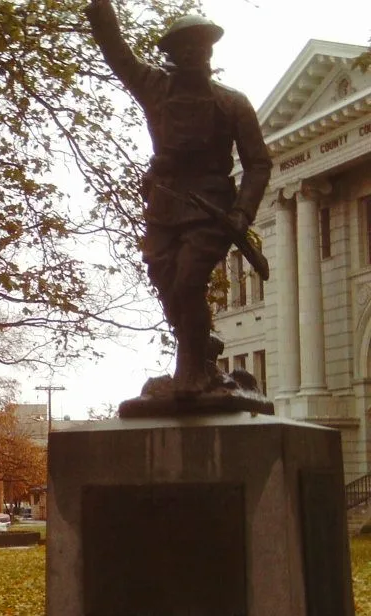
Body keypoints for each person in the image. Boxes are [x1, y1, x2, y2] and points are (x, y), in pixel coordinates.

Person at [84, 0, 272, 394]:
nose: (193, 54)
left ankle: (192, 373)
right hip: (165, 204)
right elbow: (116, 50)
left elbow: (258, 164)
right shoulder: (153, 88)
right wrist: (100, 8)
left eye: (201, 48)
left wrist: (242, 213)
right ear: (169, 54)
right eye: (184, 48)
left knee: (188, 281)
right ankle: (200, 348)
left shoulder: (232, 102)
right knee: (165, 278)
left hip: (212, 207)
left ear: (209, 53)